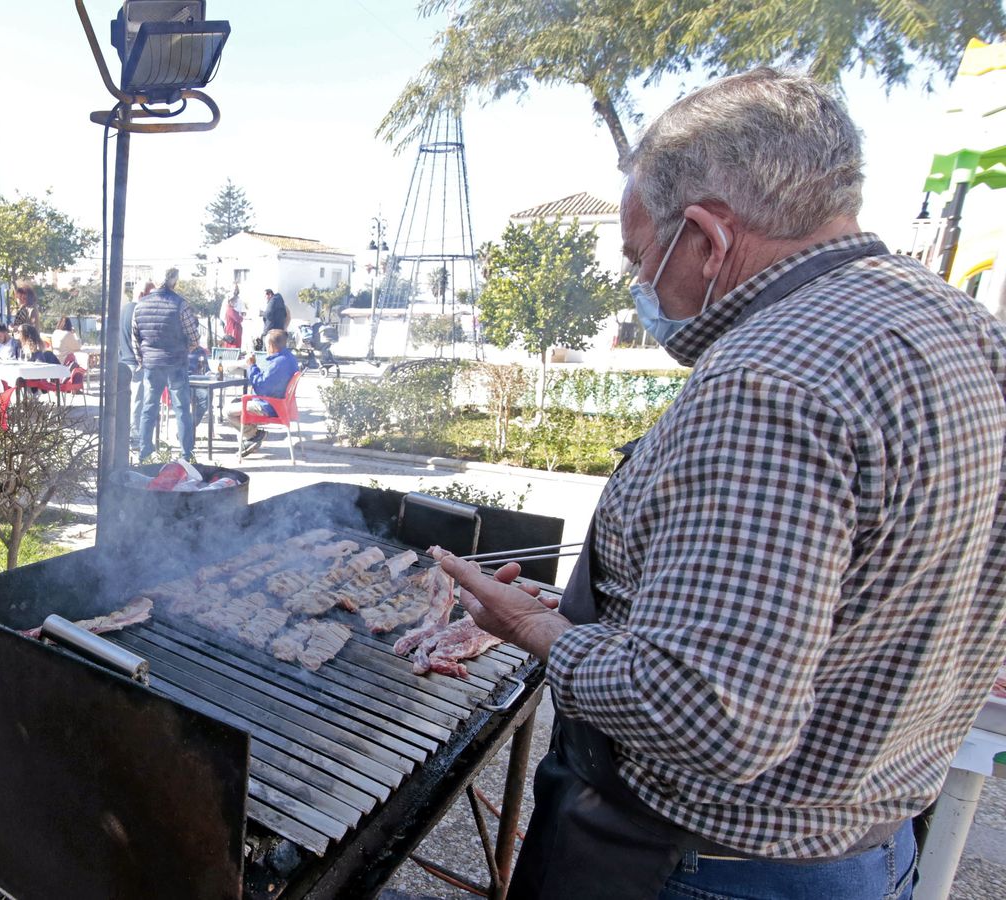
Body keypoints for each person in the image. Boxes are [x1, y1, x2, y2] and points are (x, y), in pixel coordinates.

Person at [427, 69, 1006, 900]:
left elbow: (712, 717)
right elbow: (861, 587)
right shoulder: (961, 325)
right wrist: (635, 619)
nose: (641, 286)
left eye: (639, 257)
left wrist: (534, 628)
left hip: (704, 868)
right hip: (866, 855)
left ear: (705, 235)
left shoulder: (768, 379)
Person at [132, 267, 199, 460]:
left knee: (149, 407)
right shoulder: (180, 304)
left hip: (152, 364)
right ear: (173, 282)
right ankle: (186, 454)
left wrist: (142, 360)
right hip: (176, 362)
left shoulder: (140, 305)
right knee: (181, 409)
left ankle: (145, 452)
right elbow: (193, 335)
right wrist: (188, 349)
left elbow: (135, 338)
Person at [225, 329, 297, 453]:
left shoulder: (278, 363)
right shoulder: (288, 358)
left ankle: (254, 435)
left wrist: (251, 366)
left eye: (266, 345)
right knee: (236, 402)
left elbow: (260, 387)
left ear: (270, 346)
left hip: (270, 407)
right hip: (281, 404)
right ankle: (251, 439)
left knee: (228, 411)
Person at [117, 282, 150, 453]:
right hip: (136, 364)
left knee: (125, 402)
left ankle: (125, 435)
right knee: (137, 402)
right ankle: (135, 437)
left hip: (123, 362)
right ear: (143, 295)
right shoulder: (138, 311)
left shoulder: (123, 310)